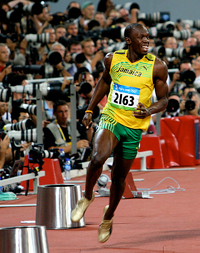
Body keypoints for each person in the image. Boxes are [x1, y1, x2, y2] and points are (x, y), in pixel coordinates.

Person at [71, 23, 169, 243]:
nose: (146, 41)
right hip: (111, 117)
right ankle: (87, 196)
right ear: (128, 40)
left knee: (118, 178)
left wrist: (149, 110)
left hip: (134, 127)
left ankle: (108, 215)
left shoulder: (158, 66)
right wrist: (89, 108)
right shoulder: (112, 59)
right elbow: (104, 81)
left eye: (148, 38)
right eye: (141, 37)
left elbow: (164, 100)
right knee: (97, 158)